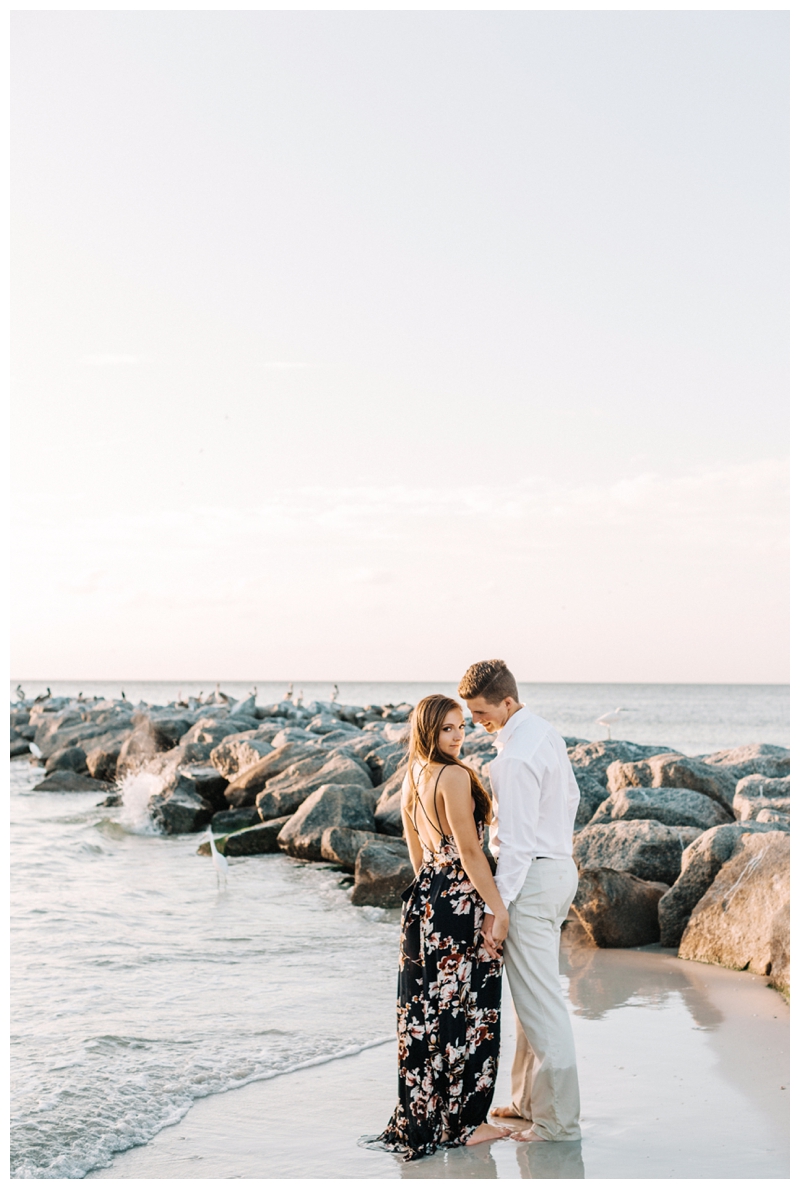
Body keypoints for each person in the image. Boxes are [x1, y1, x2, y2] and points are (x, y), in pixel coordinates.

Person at [365, 694, 513, 1161]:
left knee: (427, 1011)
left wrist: (431, 889)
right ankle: (467, 1124)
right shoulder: (452, 775)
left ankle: (433, 1115)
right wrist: (497, 908)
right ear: (428, 730)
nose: (457, 736)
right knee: (472, 1010)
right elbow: (470, 853)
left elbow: (415, 848)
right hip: (460, 903)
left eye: (461, 727)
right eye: (447, 729)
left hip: (425, 900)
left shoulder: (413, 775)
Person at [458, 659, 582, 1144]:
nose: (475, 721)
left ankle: (557, 1123)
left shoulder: (512, 759)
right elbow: (568, 800)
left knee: (541, 1004)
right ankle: (529, 1102)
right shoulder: (542, 732)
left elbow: (516, 843)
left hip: (531, 878)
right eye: (470, 713)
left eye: (482, 711)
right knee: (535, 996)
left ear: (507, 702)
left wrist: (497, 907)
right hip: (558, 871)